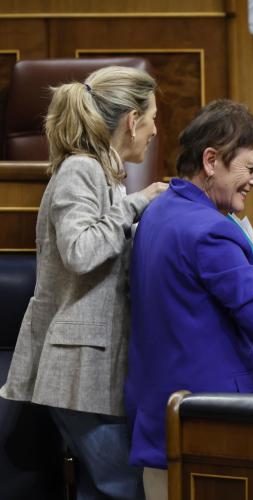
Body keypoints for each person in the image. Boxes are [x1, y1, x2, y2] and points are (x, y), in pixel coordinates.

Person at [124, 99, 253, 500]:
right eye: (250, 168)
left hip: (159, 414)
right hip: (211, 423)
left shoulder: (157, 212)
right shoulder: (211, 231)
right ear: (211, 160)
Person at [0, 65, 167, 499]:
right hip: (78, 366)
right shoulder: (81, 169)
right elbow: (80, 251)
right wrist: (138, 203)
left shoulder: (104, 173)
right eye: (152, 119)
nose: (155, 131)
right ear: (132, 120)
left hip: (92, 364)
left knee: (102, 488)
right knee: (123, 488)